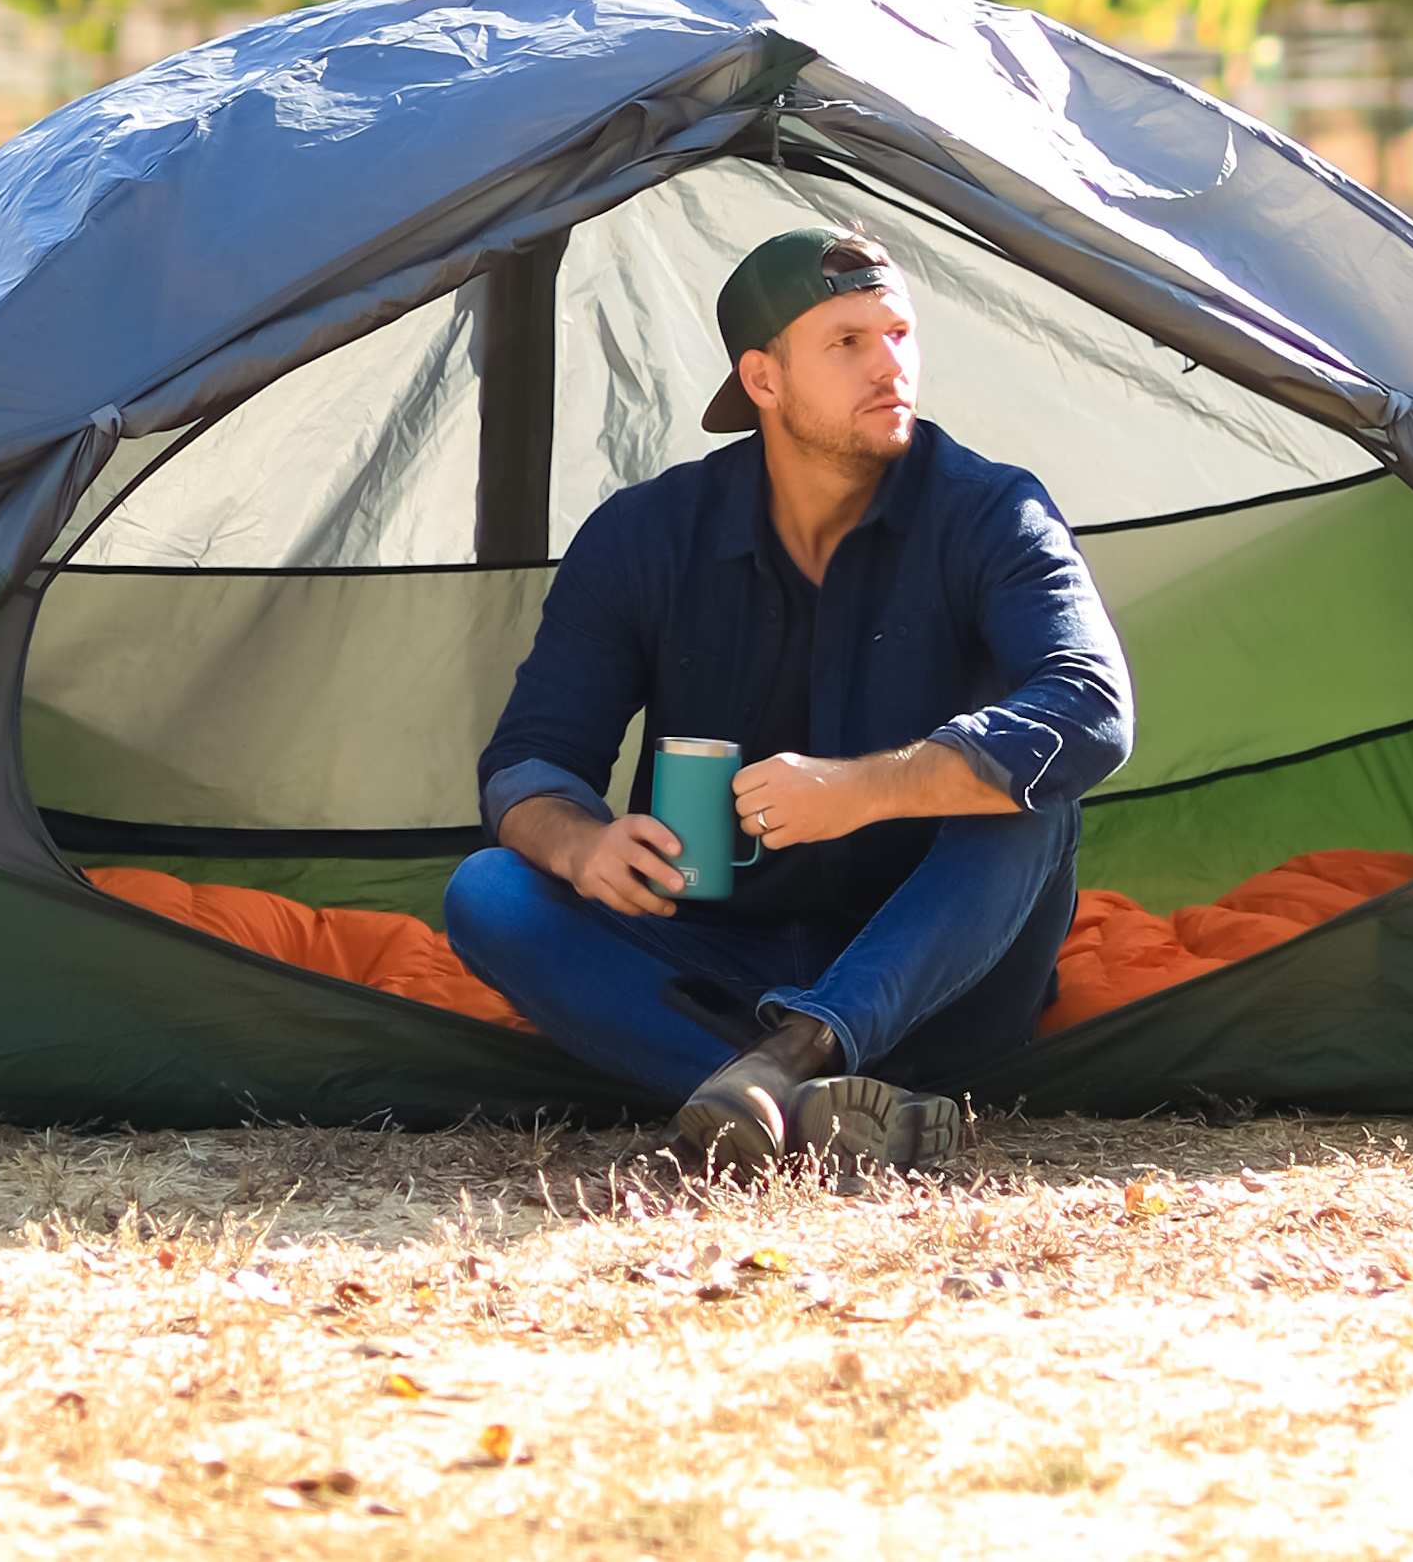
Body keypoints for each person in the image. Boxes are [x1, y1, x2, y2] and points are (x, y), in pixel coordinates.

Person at [444, 223, 1134, 1170]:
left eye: (898, 334)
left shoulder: (993, 511)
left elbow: (1091, 708)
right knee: (489, 891)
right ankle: (809, 1105)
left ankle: (784, 1065)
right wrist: (580, 844)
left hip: (935, 971)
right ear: (762, 380)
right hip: (718, 959)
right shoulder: (645, 535)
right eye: (846, 343)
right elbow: (528, 758)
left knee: (1031, 797)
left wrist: (865, 789)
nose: (887, 366)